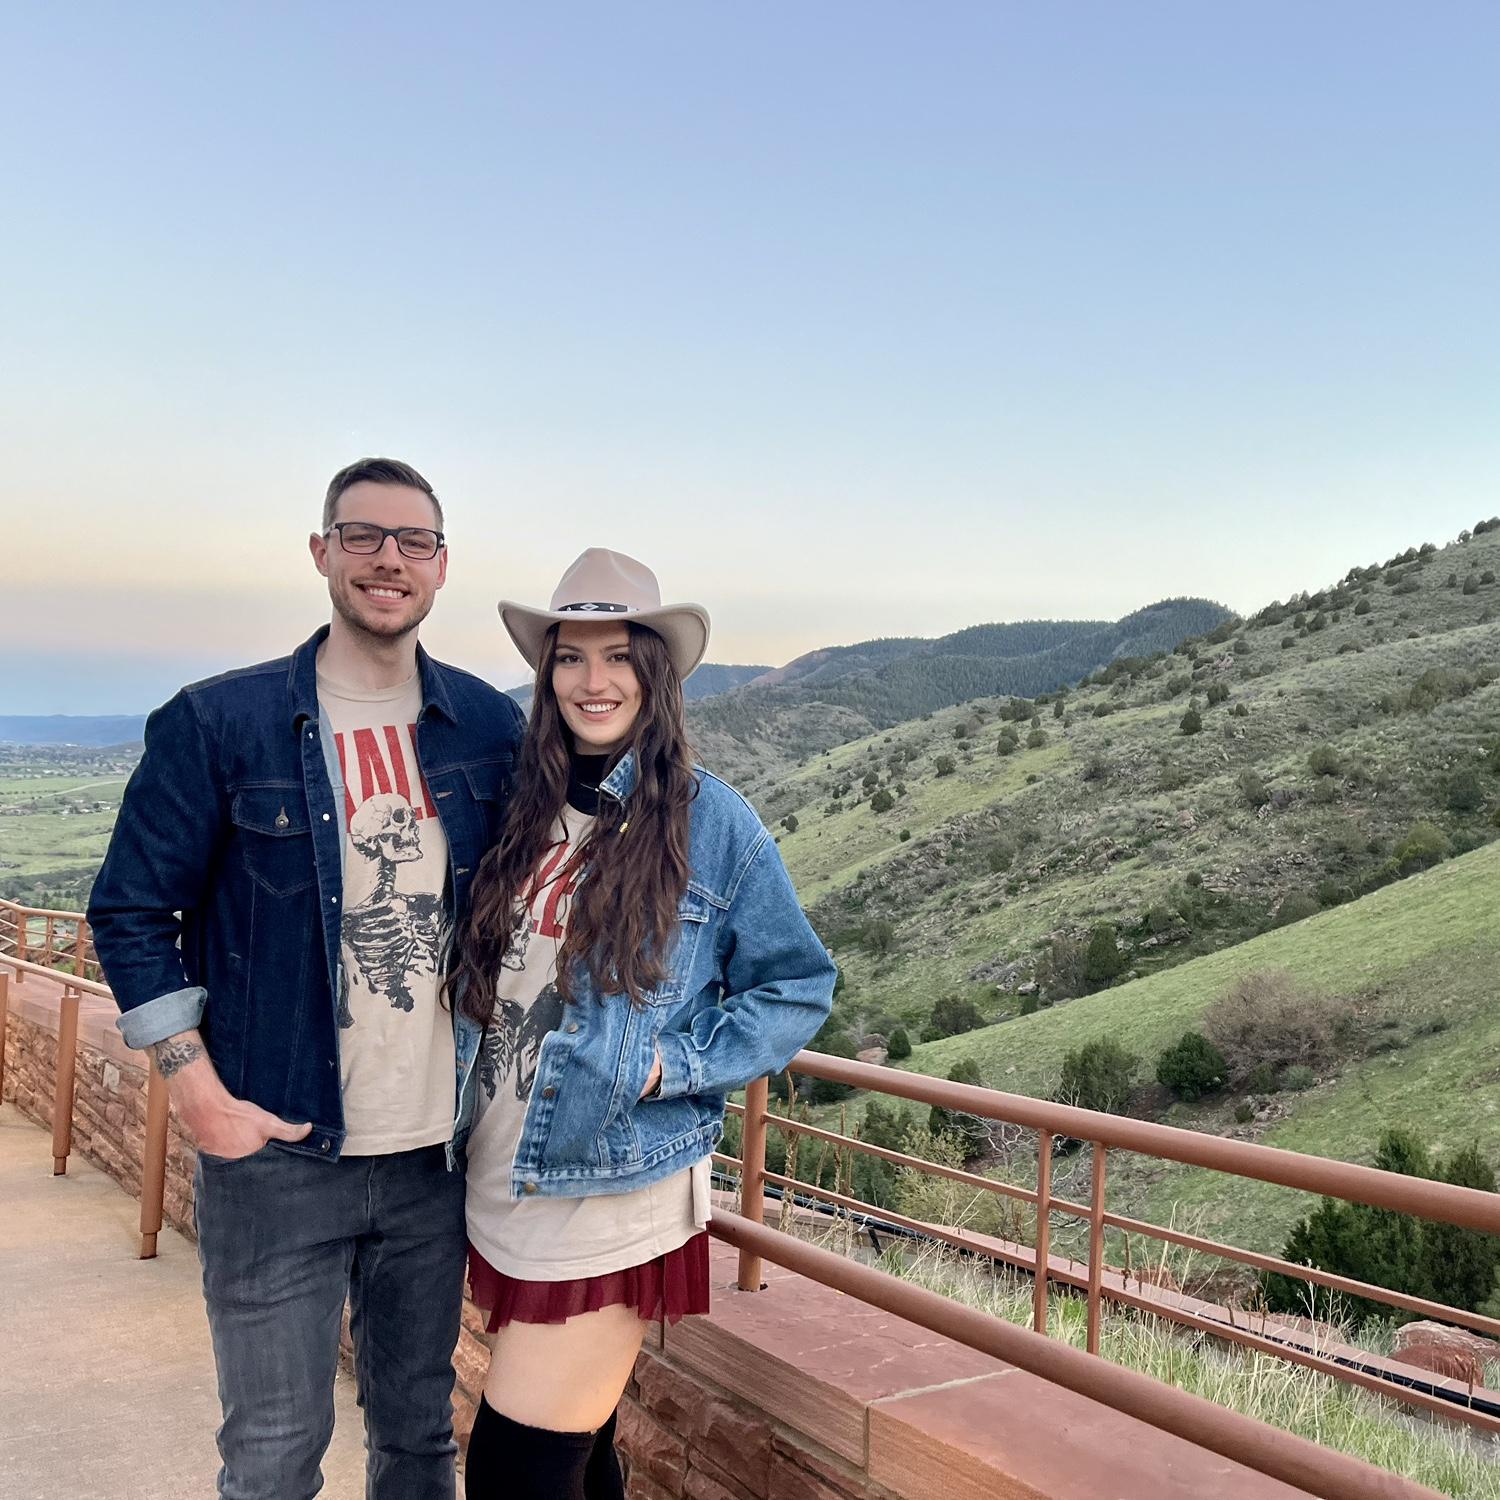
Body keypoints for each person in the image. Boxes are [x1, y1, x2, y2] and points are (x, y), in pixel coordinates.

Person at [87, 458, 526, 1500]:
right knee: (274, 1457)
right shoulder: (219, 724)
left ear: (443, 565)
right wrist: (198, 1093)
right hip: (278, 1155)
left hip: (434, 1160)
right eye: (363, 535)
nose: (389, 559)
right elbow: (131, 911)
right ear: (322, 551)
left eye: (414, 541)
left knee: (418, 1443)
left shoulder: (488, 728)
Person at [450, 548, 836, 1500]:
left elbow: (798, 985)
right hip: (501, 1171)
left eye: (619, 655)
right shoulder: (520, 804)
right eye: (571, 656)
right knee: (581, 1458)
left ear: (655, 672)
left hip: (611, 1184)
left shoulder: (713, 823)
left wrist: (673, 1064)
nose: (595, 680)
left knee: (514, 1469)